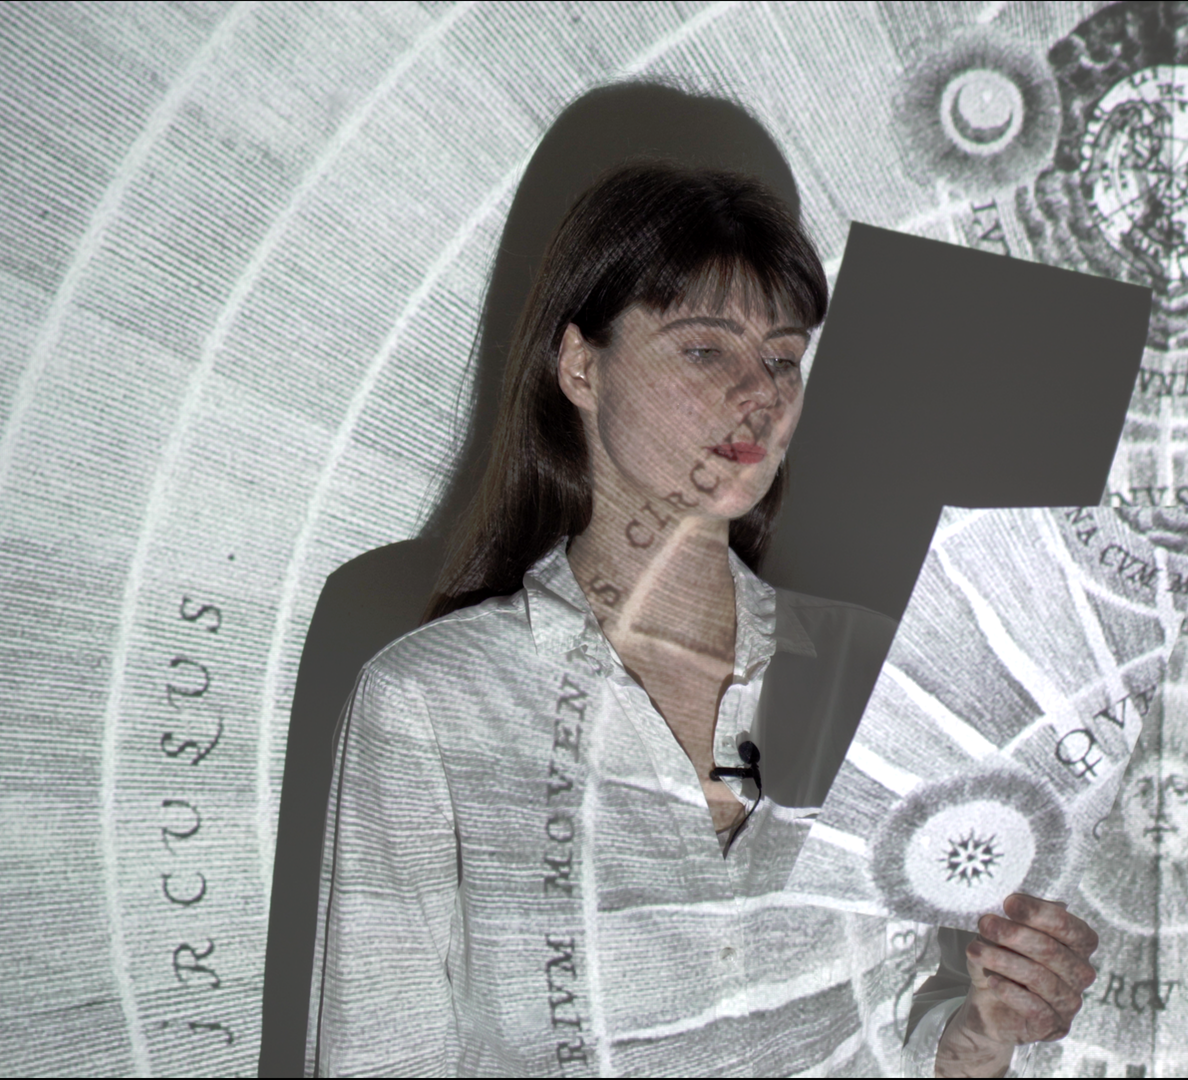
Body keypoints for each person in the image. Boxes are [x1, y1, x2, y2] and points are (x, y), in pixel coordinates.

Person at [304, 160, 1099, 1078]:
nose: (760, 392)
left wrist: (982, 1035)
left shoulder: (880, 675)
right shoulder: (430, 703)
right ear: (580, 367)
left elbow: (896, 1036)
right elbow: (377, 1057)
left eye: (783, 359)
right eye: (704, 350)